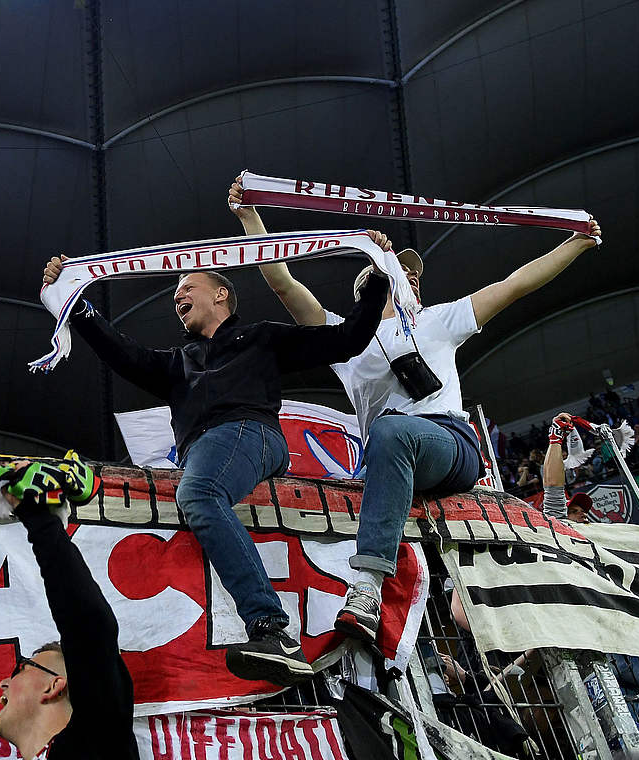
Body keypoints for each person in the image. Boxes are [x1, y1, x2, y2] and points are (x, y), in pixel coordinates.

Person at [230, 176, 602, 643]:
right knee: (386, 440)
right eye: (399, 272)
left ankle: (366, 587)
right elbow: (284, 284)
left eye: (413, 275)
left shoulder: (437, 320)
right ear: (370, 285)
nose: (412, 279)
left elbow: (514, 285)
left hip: (450, 444)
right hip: (395, 459)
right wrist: (250, 217)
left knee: (389, 432)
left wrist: (577, 244)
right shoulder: (344, 338)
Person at [41, 251, 391, 685]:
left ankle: (270, 627)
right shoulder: (177, 362)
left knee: (198, 494)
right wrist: (77, 302)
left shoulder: (261, 339)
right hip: (203, 453)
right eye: (176, 293)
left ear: (221, 294)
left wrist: (378, 280)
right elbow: (123, 353)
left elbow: (346, 339)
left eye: (188, 286)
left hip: (249, 433)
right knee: (197, 495)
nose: (177, 296)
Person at [0, 458, 137, 760]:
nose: (3, 682)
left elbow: (90, 627)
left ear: (55, 686)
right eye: (20, 668)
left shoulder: (96, 745)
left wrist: (39, 519)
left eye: (19, 670)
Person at [540, 413, 594, 522]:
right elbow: (553, 486)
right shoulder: (562, 526)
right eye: (574, 511)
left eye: (583, 510)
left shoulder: (598, 532)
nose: (582, 514)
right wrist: (555, 439)